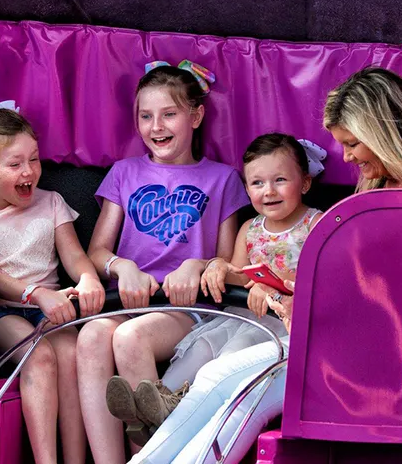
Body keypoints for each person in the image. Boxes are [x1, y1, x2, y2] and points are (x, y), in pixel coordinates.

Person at [128, 67, 402, 463]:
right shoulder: (375, 183)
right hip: (334, 333)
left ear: (385, 133)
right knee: (230, 387)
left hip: (382, 348)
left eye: (353, 144)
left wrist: (325, 298)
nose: (346, 157)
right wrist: (305, 292)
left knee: (224, 379)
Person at [76, 61, 249, 464]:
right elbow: (97, 251)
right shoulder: (125, 172)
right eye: (145, 116)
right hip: (129, 300)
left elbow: (225, 259)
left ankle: (150, 457)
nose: (156, 127)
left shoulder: (222, 179)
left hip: (185, 308)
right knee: (90, 337)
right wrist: (123, 267)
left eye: (169, 114)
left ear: (195, 116)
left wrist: (198, 265)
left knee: (131, 338)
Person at [121, 134, 324, 463]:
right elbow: (236, 272)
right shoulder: (251, 228)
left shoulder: (315, 225)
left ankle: (161, 418)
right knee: (199, 351)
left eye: (280, 180)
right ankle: (156, 408)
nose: (268, 191)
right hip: (238, 317)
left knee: (222, 363)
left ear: (305, 183)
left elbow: (320, 280)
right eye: (257, 183)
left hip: (274, 325)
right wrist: (216, 267)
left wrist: (270, 288)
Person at [0, 104, 105, 464]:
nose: (29, 172)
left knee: (71, 354)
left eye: (34, 160)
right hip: (6, 312)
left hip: (50, 310)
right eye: (15, 164)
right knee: (39, 357)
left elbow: (74, 256)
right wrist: (37, 294)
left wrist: (88, 279)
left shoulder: (51, 202)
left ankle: (75, 458)